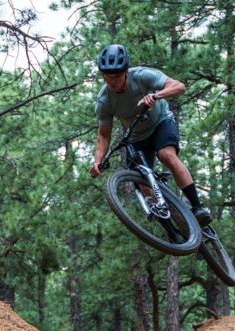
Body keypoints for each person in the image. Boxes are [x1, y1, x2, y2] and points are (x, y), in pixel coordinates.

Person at [88, 43, 211, 225]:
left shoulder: (141, 76)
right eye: (106, 76)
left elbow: (179, 86)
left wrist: (156, 96)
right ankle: (171, 228)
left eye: (116, 76)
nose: (111, 81)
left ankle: (197, 206)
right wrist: (98, 161)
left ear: (126, 72)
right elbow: (103, 136)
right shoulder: (105, 99)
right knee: (141, 179)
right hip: (137, 136)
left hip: (160, 122)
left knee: (166, 155)